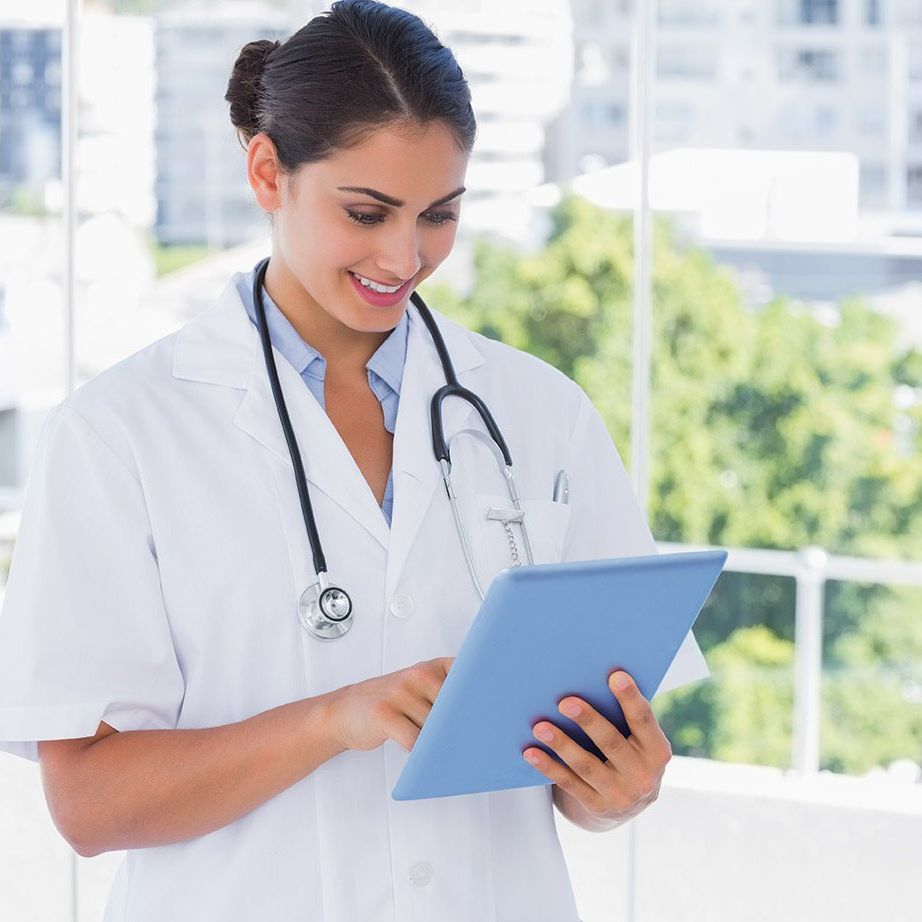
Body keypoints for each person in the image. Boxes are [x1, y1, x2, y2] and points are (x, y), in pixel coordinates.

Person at [0, 2, 707, 919]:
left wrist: (616, 789)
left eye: (440, 215)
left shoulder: (540, 416)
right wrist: (333, 720)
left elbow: (582, 760)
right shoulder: (119, 433)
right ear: (268, 170)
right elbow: (90, 805)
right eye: (366, 212)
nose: (404, 256)